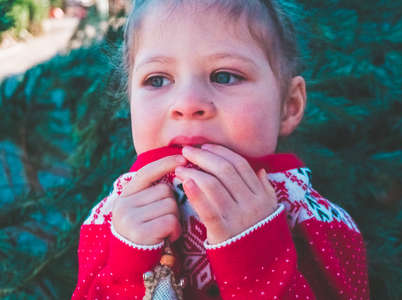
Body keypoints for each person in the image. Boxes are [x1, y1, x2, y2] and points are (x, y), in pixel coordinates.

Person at [71, 0, 370, 299]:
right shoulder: (111, 221)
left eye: (224, 76)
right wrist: (128, 269)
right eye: (157, 80)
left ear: (289, 106)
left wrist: (259, 265)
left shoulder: (314, 220)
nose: (187, 103)